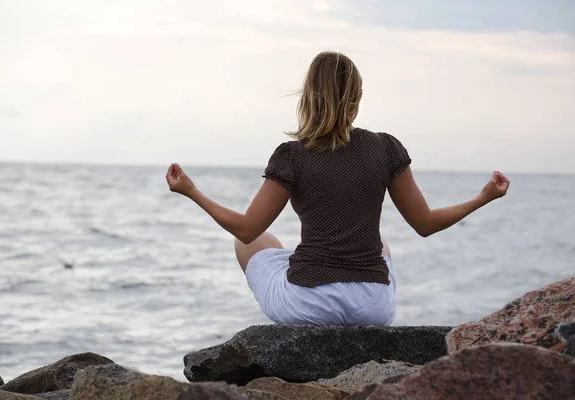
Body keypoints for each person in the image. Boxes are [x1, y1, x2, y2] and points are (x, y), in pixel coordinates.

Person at [165, 51, 510, 326]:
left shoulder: (293, 156)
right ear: (357, 97)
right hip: (372, 307)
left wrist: (192, 191)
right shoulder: (385, 148)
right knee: (382, 243)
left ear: (307, 97)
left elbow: (247, 228)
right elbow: (426, 224)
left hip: (309, 304)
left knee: (250, 243)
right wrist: (484, 197)